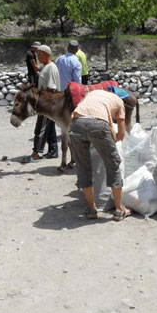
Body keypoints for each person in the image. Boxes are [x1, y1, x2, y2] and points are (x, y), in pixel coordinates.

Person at [69, 90, 131, 222]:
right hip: (98, 125)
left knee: (83, 167)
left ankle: (92, 209)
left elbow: (81, 113)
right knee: (113, 164)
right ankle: (119, 209)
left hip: (76, 123)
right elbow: (121, 134)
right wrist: (109, 143)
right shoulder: (119, 101)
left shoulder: (92, 94)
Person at [24, 45, 60, 162]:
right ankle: (53, 151)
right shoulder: (45, 67)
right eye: (37, 54)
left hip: (47, 104)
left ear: (48, 55)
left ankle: (36, 153)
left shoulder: (51, 68)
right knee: (49, 127)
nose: (38, 57)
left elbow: (51, 88)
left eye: (40, 54)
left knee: (41, 128)